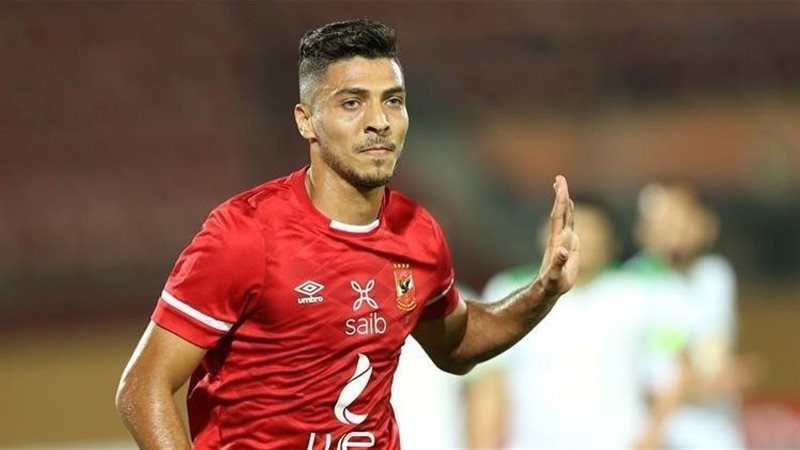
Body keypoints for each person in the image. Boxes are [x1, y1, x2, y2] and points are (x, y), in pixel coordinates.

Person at [115, 19, 579, 450]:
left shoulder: (417, 232)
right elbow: (143, 386)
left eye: (392, 100)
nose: (379, 121)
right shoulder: (245, 234)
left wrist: (545, 289)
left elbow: (456, 345)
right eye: (352, 103)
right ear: (306, 121)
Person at [474, 200, 662, 449]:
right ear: (546, 234)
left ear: (611, 240)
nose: (579, 239)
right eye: (571, 227)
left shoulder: (637, 293)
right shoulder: (510, 291)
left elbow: (667, 377)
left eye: (591, 230)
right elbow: (490, 384)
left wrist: (652, 437)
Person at [628, 182, 750, 450]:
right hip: (660, 434)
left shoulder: (716, 275)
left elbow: (716, 351)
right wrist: (702, 384)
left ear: (708, 224)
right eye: (662, 219)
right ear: (643, 229)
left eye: (681, 217)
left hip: (717, 431)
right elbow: (639, 380)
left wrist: (723, 374)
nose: (673, 227)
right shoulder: (631, 285)